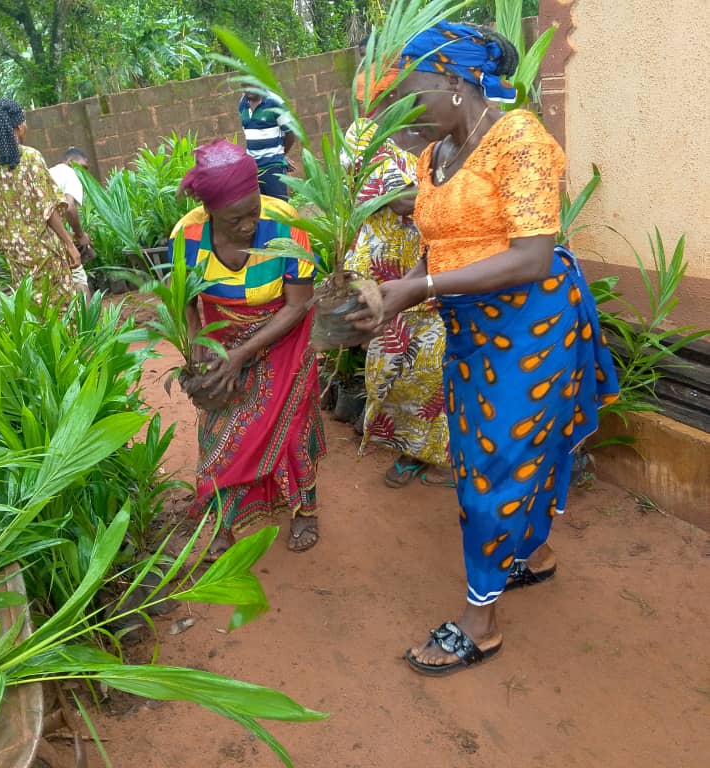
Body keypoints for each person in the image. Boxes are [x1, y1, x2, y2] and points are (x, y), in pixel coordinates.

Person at [346, 22, 619, 675]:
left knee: (491, 471)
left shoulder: (519, 140)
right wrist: (388, 291)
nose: (405, 111)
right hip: (472, 330)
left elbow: (529, 258)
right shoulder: (433, 155)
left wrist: (422, 288)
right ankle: (531, 556)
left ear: (456, 80)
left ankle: (481, 623)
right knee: (483, 450)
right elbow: (439, 247)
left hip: (534, 326)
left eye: (413, 94)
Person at [171, 139, 325, 559]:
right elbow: (184, 294)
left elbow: (299, 304)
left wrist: (242, 354)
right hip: (223, 342)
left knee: (291, 424)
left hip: (285, 336)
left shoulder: (286, 227)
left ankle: (304, 509)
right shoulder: (187, 235)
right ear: (211, 212)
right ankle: (224, 524)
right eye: (236, 218)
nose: (249, 224)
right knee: (218, 432)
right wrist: (195, 338)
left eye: (254, 210)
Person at [343, 66, 452, 488]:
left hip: (434, 265)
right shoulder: (363, 137)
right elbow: (394, 201)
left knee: (433, 367)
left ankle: (433, 452)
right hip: (382, 270)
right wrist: (445, 196)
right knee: (388, 365)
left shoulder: (438, 131)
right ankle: (407, 444)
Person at [0, 98, 81, 298]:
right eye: (24, 122)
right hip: (45, 252)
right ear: (18, 127)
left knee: (34, 309)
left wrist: (2, 240)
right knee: (62, 307)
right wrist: (69, 244)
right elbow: (49, 208)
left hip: (15, 255)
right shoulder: (30, 158)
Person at [49, 146, 93, 297]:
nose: (84, 173)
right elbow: (69, 208)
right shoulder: (70, 173)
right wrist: (80, 235)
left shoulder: (51, 173)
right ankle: (89, 321)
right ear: (70, 162)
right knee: (79, 277)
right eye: (83, 167)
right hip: (49, 239)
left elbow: (49, 216)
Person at [239, 91, 295, 201]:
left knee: (279, 208)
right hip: (253, 169)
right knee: (260, 211)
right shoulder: (242, 103)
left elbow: (290, 134)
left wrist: (280, 155)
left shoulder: (275, 102)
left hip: (273, 167)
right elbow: (250, 134)